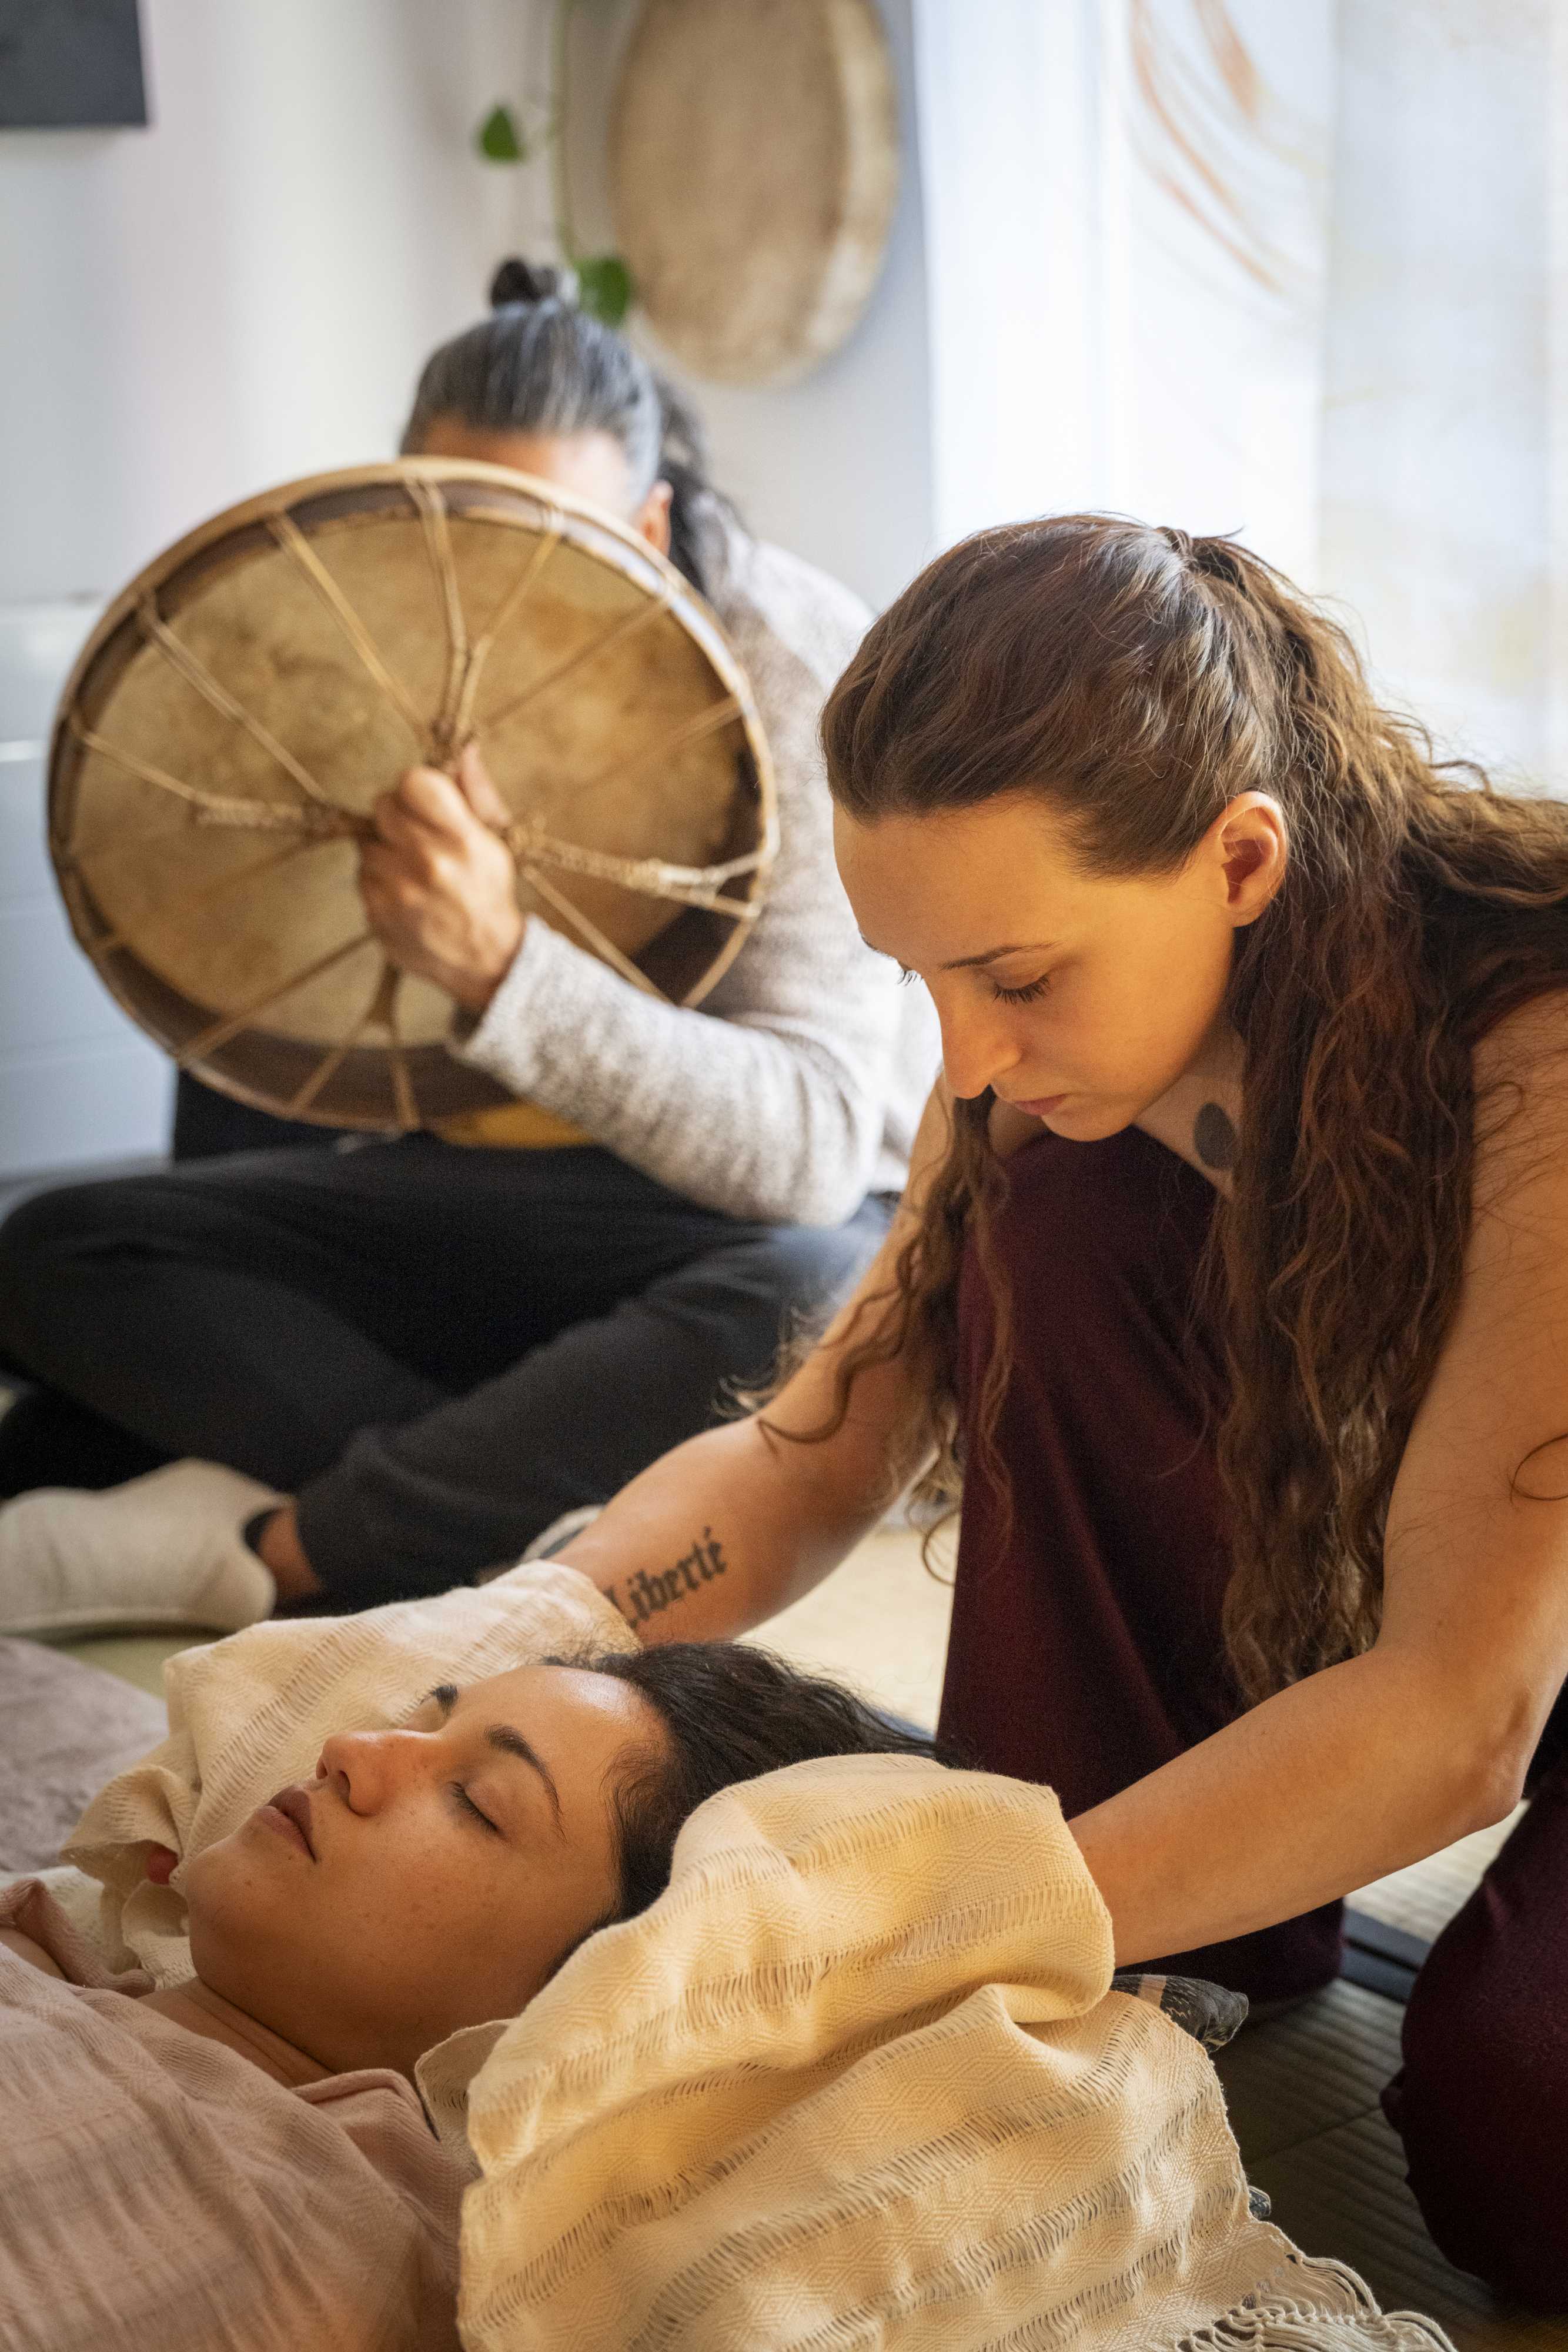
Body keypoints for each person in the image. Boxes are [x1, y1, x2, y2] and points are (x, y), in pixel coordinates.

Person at [520, 516, 1568, 2311]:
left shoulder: (1531, 1063)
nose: (963, 1058)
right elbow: (819, 1449)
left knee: (1521, 2134)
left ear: (1239, 860)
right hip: (1443, 1584)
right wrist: (516, 1628)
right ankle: (1184, 1932)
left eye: (1013, 978)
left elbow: (1460, 1710)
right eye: (919, 980)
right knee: (1054, 1200)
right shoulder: (1025, 1080)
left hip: (1502, 1627)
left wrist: (937, 1925)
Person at [0, 258, 936, 1632]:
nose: (498, 593)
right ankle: (513, 1479)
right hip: (472, 1196)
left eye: (553, 546)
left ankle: (284, 1542)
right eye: (468, 537)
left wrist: (504, 967)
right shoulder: (367, 611)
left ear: (649, 523)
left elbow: (805, 1155)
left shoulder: (788, 668)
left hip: (715, 1222)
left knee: (814, 1300)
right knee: (53, 1254)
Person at [0, 1639, 944, 2352]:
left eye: (476, 1803)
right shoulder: (46, 1951)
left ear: (585, 2010)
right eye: (418, 1724)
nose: (348, 1749)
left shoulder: (328, 2252)